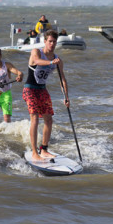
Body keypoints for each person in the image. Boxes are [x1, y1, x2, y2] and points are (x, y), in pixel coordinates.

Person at [22, 30, 68, 162]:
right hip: (30, 89)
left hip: (42, 90)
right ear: (45, 41)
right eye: (50, 41)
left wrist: (66, 97)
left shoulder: (58, 60)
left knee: (49, 120)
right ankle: (34, 152)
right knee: (35, 118)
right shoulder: (36, 51)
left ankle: (44, 149)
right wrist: (50, 63)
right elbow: (36, 61)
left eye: (54, 42)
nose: (52, 44)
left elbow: (62, 80)